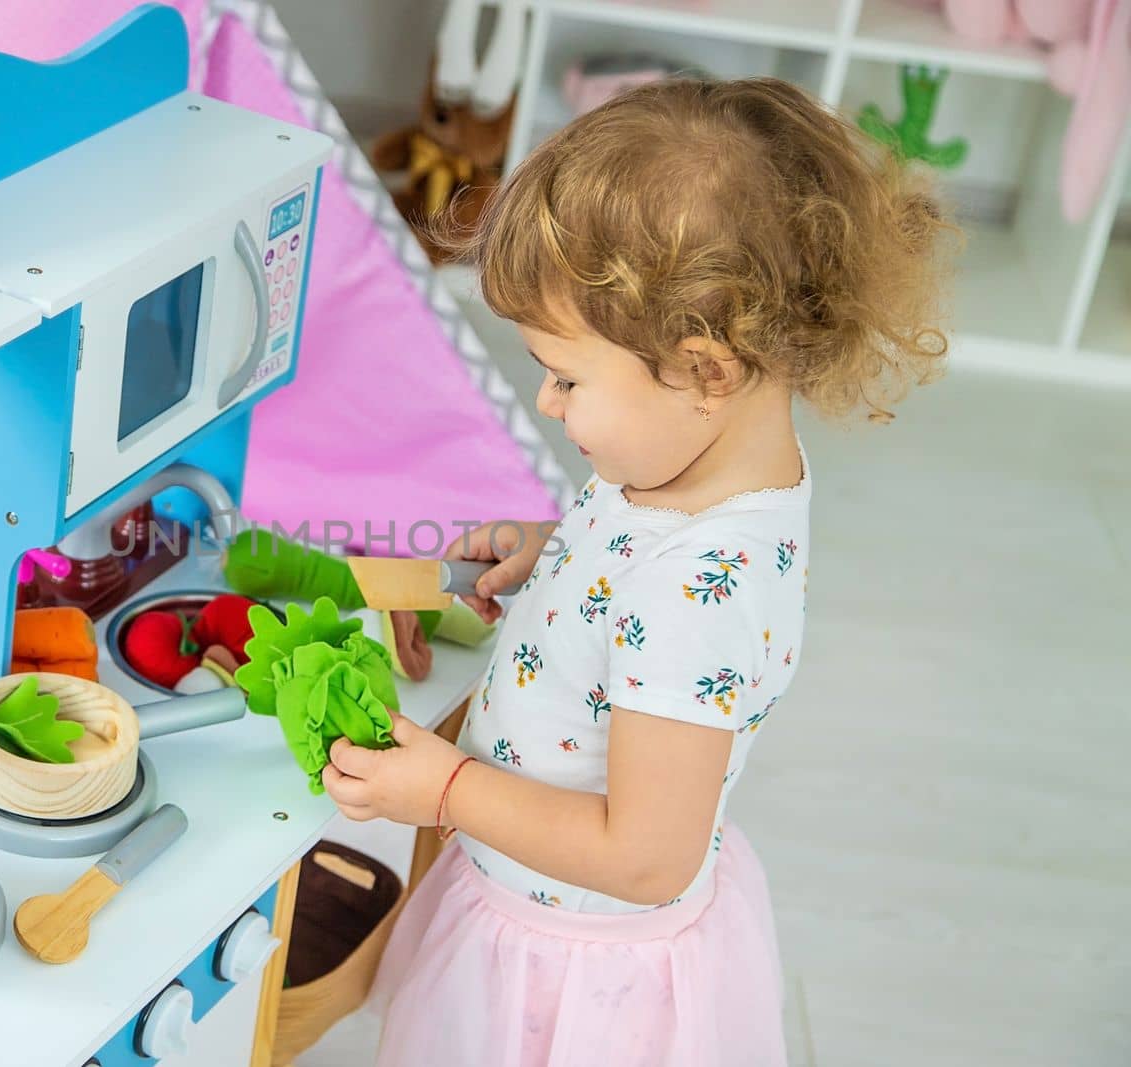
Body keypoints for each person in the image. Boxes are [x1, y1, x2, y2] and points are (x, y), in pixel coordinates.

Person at [321, 76, 954, 1066]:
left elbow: (647, 854)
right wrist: (555, 560)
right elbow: (636, 572)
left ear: (704, 369)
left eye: (567, 376)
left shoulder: (690, 586)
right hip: (534, 906)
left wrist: (445, 789)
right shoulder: (690, 461)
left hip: (570, 977)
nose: (545, 398)